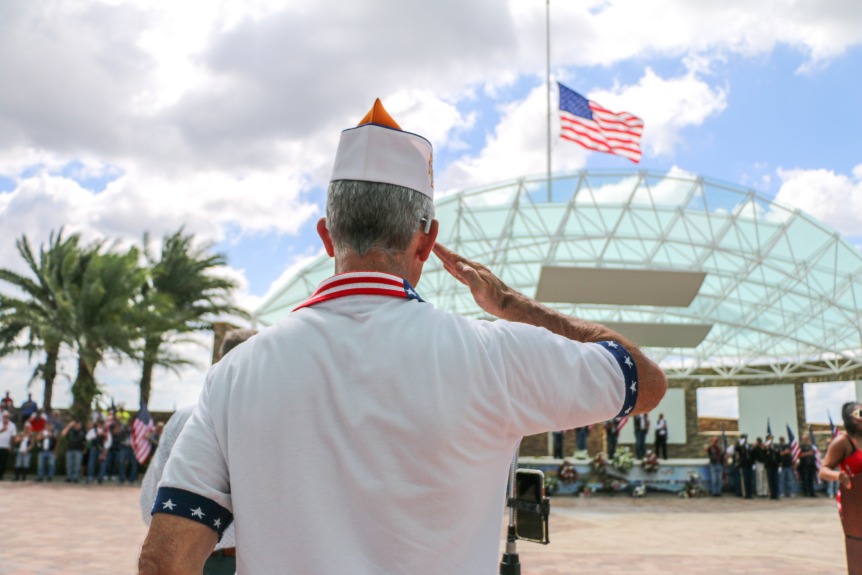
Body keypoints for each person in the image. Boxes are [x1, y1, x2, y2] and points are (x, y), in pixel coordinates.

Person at [137, 99, 668, 575]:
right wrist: (513, 306)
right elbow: (645, 383)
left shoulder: (234, 375)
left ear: (327, 235)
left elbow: (168, 557)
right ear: (427, 240)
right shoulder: (496, 357)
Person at [139, 328, 257, 575]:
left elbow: (154, 488)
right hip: (226, 558)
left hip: (189, 553)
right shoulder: (259, 417)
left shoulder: (183, 416)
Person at [820, 402, 862, 574]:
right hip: (854, 499)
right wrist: (839, 476)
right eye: (859, 413)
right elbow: (823, 469)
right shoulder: (843, 442)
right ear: (850, 419)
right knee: (857, 542)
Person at [62, 418, 86, 483]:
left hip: (79, 450)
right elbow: (63, 433)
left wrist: (84, 449)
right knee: (69, 464)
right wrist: (69, 425)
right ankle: (68, 477)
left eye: (79, 424)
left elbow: (86, 440)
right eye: (76, 424)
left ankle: (75, 478)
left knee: (77, 465)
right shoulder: (70, 430)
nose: (78, 425)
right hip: (70, 449)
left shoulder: (83, 431)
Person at [0, 411, 17, 480]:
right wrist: (2, 430)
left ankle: (1, 475)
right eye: (4, 417)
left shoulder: (12, 425)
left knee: (3, 462)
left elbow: (13, 437)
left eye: (7, 417)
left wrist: (10, 446)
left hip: (6, 447)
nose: (6, 418)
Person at [764, 435, 780, 500]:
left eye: (771, 438)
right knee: (770, 480)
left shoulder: (775, 447)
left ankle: (776, 494)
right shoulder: (765, 447)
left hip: (775, 466)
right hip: (769, 466)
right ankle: (771, 494)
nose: (771, 440)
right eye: (769, 438)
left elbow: (778, 455)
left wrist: (779, 463)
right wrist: (767, 447)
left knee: (775, 480)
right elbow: (764, 455)